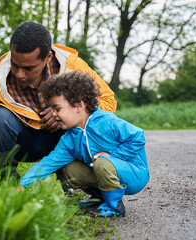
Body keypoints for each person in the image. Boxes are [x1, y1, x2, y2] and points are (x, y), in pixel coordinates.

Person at [0, 21, 117, 180]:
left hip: (65, 141)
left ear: (48, 57)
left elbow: (107, 101)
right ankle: (7, 182)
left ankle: (74, 183)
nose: (19, 74)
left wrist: (69, 112)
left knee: (90, 119)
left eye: (29, 68)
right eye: (15, 64)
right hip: (25, 142)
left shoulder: (73, 67)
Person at [19, 71, 150, 217]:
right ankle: (100, 198)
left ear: (78, 105)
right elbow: (48, 163)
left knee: (102, 162)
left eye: (57, 108)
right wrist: (22, 185)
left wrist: (112, 155)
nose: (54, 114)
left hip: (134, 173)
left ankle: (114, 207)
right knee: (71, 169)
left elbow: (138, 136)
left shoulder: (107, 121)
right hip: (105, 172)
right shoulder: (69, 139)